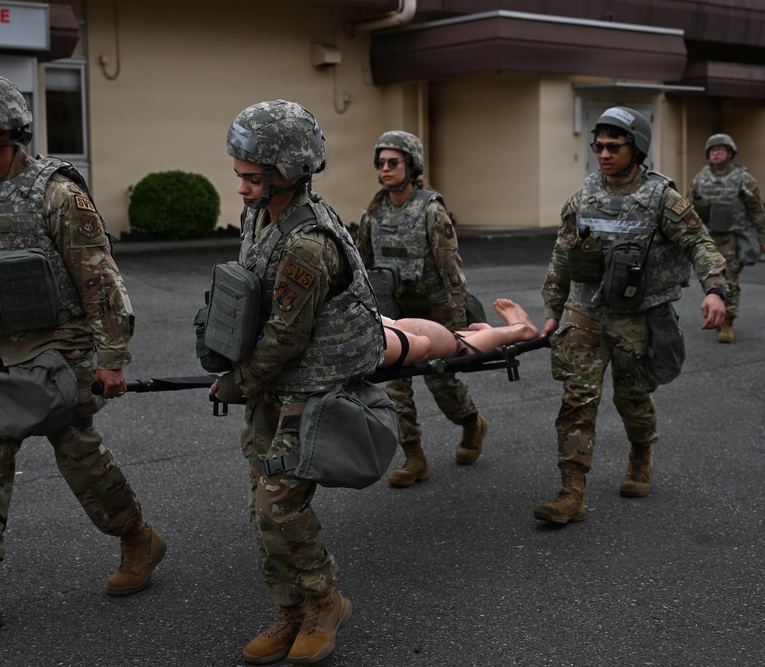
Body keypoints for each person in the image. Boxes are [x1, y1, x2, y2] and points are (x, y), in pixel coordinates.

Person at [0, 75, 165, 638]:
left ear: (0, 129)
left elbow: (99, 279)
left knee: (77, 453)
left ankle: (137, 540)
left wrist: (111, 356)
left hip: (58, 345)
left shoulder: (57, 194)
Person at [212, 100, 382, 665]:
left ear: (288, 172)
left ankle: (325, 602)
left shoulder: (308, 244)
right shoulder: (262, 216)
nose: (240, 188)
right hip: (274, 383)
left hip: (310, 386)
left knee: (278, 504)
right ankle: (289, 609)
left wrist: (239, 381)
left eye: (251, 177)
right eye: (239, 175)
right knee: (261, 503)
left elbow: (287, 336)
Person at [535, 106, 728, 525]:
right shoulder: (583, 196)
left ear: (636, 147)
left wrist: (715, 290)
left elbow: (699, 241)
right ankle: (572, 492)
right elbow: (562, 254)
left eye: (613, 146)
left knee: (632, 398)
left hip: (635, 315)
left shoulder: (661, 197)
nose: (603, 154)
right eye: (598, 146)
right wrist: (553, 309)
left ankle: (641, 453)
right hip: (585, 311)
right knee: (577, 400)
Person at [355, 130, 488, 488]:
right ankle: (414, 456)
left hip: (435, 312)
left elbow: (451, 270)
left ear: (411, 166)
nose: (385, 169)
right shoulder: (373, 215)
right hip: (396, 312)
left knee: (442, 381)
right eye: (381, 163)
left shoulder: (431, 211)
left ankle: (472, 423)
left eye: (393, 162)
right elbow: (362, 269)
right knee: (394, 385)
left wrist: (460, 325)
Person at [688, 133, 765, 343]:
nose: (716, 153)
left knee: (731, 281)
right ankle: (717, 313)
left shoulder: (743, 179)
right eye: (712, 150)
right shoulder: (701, 178)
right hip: (708, 239)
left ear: (730, 153)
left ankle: (727, 323)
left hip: (733, 238)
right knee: (711, 280)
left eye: (721, 149)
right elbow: (688, 207)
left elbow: (757, 209)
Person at [380, 298, 539, 368]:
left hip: (414, 333)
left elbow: (420, 346)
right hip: (414, 332)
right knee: (460, 343)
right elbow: (419, 346)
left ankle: (510, 331)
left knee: (460, 343)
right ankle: (508, 332)